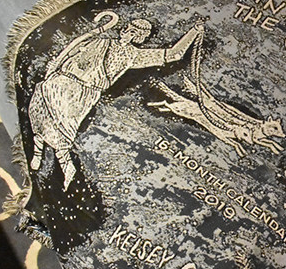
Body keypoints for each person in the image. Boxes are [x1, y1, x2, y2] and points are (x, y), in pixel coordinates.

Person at [28, 12, 205, 190]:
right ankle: (37, 151)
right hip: (62, 80)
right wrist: (55, 66)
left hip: (82, 93)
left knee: (62, 126)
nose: (126, 31)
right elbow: (74, 51)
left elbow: (174, 54)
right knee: (41, 109)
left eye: (132, 31)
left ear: (139, 37)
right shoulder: (102, 41)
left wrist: (194, 31)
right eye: (127, 27)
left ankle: (67, 168)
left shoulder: (133, 55)